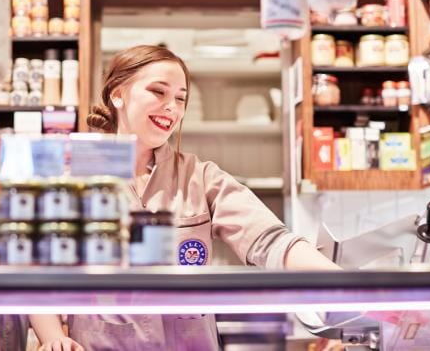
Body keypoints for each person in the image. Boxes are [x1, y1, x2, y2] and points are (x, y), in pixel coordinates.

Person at [30, 45, 339, 351]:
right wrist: (53, 336)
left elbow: (270, 242)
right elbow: (35, 267)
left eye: (180, 98)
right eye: (158, 92)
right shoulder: (74, 175)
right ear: (118, 94)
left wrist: (350, 285)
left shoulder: (199, 176)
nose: (172, 108)